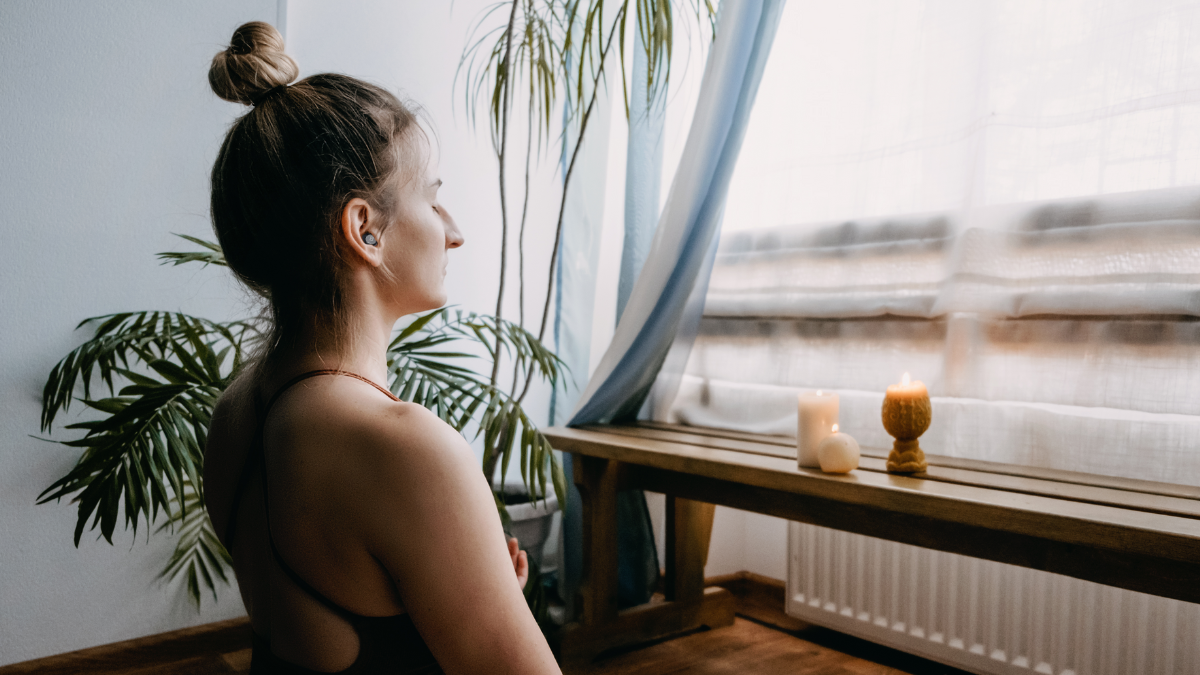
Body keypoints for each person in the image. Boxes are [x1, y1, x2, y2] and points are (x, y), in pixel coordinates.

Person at [202, 21, 561, 675]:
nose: (453, 232)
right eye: (432, 197)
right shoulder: (404, 448)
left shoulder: (237, 410)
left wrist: (479, 596)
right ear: (364, 228)